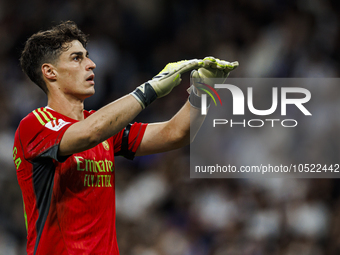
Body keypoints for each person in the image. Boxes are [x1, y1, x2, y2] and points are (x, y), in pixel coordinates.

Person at [12, 20, 238, 255]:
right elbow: (90, 133)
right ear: (50, 72)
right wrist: (149, 89)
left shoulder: (102, 126)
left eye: (87, 56)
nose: (91, 64)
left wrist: (204, 90)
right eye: (77, 58)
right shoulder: (34, 126)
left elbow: (176, 134)